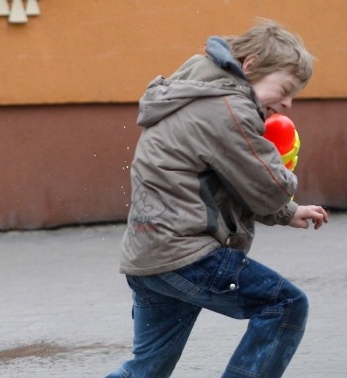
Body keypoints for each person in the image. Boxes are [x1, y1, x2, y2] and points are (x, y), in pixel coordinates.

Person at [108, 20, 330, 378]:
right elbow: (268, 185)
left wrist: (287, 212)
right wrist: (282, 160)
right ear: (251, 65)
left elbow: (232, 177)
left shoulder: (194, 87)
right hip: (186, 254)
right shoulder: (230, 108)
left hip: (149, 254)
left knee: (145, 371)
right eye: (286, 89)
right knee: (285, 305)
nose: (288, 103)